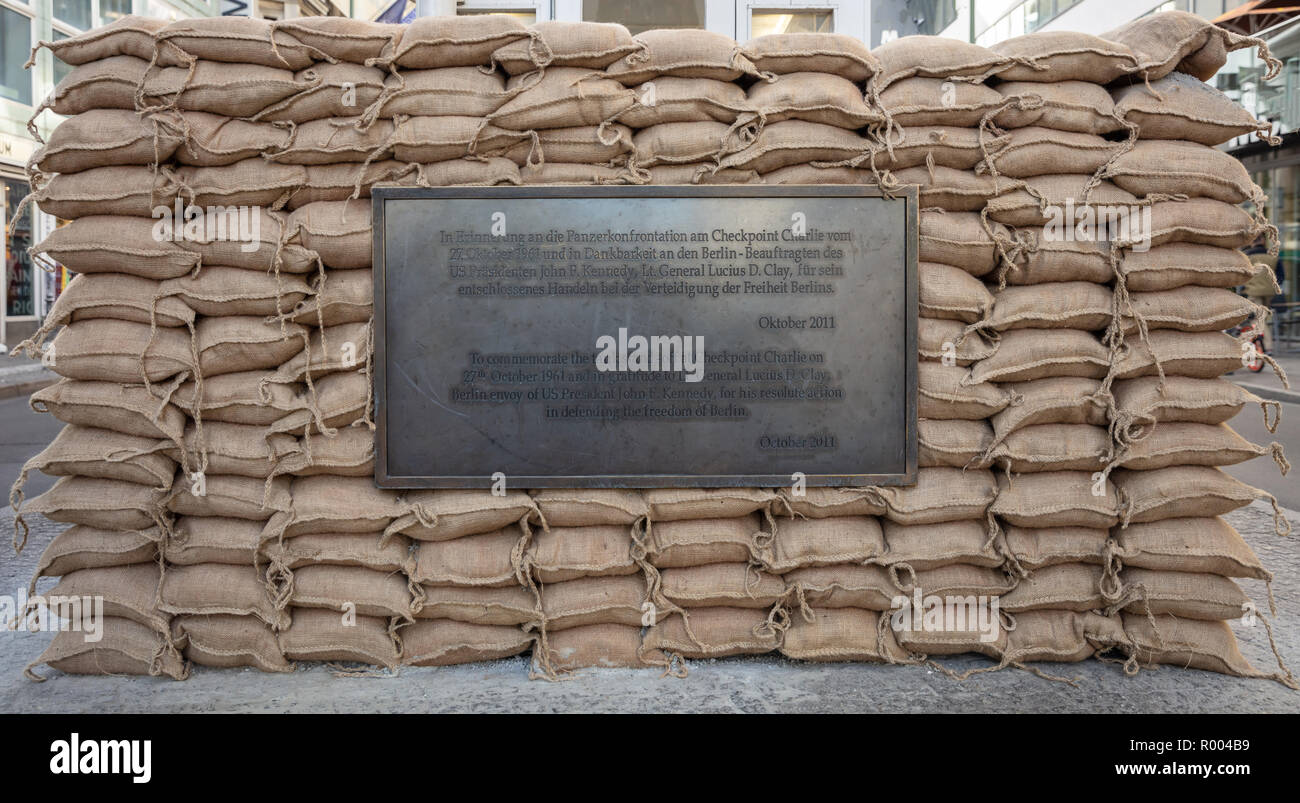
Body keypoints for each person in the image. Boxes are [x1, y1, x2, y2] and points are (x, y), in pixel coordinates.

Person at [1243, 243, 1279, 352]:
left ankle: (1267, 346)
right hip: (1269, 292)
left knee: (1258, 319)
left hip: (1254, 292)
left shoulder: (1247, 256)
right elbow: (1280, 275)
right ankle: (1258, 343)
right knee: (1263, 318)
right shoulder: (1273, 257)